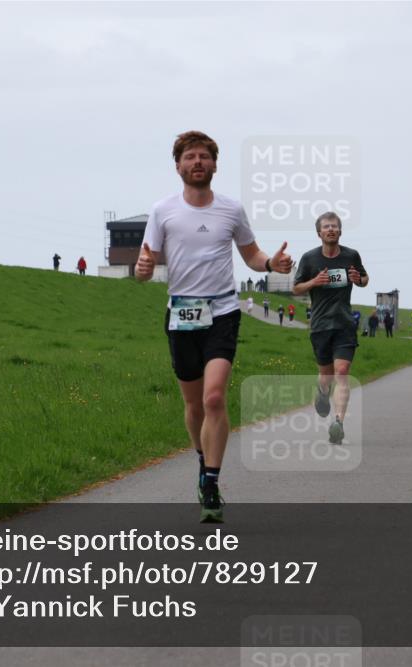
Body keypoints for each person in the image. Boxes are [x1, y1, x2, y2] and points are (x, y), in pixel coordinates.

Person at [136, 131, 292, 523]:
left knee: (214, 399)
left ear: (215, 165)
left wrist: (271, 264)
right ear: (178, 166)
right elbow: (148, 260)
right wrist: (142, 270)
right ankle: (203, 457)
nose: (197, 162)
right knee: (192, 406)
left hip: (222, 311)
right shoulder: (162, 211)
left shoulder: (231, 210)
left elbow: (252, 255)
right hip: (181, 313)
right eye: (190, 157)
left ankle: (210, 481)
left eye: (204, 156)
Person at [293, 211, 368, 444]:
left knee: (342, 372)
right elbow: (296, 288)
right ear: (319, 233)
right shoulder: (309, 259)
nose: (331, 229)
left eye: (334, 226)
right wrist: (314, 282)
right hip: (320, 325)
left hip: (344, 323)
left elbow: (365, 279)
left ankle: (338, 423)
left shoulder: (351, 255)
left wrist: (359, 279)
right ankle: (322, 394)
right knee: (326, 375)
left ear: (340, 231)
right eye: (326, 227)